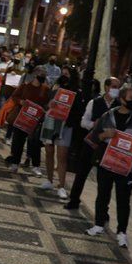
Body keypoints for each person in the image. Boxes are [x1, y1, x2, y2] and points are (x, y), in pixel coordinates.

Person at [86, 85, 132, 248]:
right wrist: (105, 135)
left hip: (127, 169)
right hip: (107, 165)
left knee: (123, 201)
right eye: (131, 98)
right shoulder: (107, 116)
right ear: (122, 99)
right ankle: (98, 224)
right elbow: (94, 137)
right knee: (102, 195)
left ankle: (122, 233)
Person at [64, 77, 119, 210]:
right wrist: (95, 124)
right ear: (106, 87)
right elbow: (84, 122)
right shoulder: (94, 102)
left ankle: (103, 211)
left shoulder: (119, 105)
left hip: (108, 147)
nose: (116, 89)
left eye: (118, 87)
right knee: (82, 173)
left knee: (105, 182)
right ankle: (74, 201)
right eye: (114, 86)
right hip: (92, 144)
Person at [39, 68, 82, 200]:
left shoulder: (77, 92)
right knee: (49, 152)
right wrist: (50, 104)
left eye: (67, 74)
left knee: (62, 156)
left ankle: (62, 186)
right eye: (62, 73)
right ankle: (49, 180)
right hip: (51, 122)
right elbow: (47, 104)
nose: (64, 76)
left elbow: (78, 111)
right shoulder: (55, 88)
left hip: (65, 126)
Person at [6, 66, 51, 176]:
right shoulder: (25, 86)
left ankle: (36, 166)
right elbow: (14, 96)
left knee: (34, 143)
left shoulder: (46, 89)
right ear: (35, 74)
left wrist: (46, 108)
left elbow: (47, 103)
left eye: (44, 76)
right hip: (22, 118)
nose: (42, 77)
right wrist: (21, 101)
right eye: (41, 75)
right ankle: (15, 163)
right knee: (18, 141)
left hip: (35, 120)